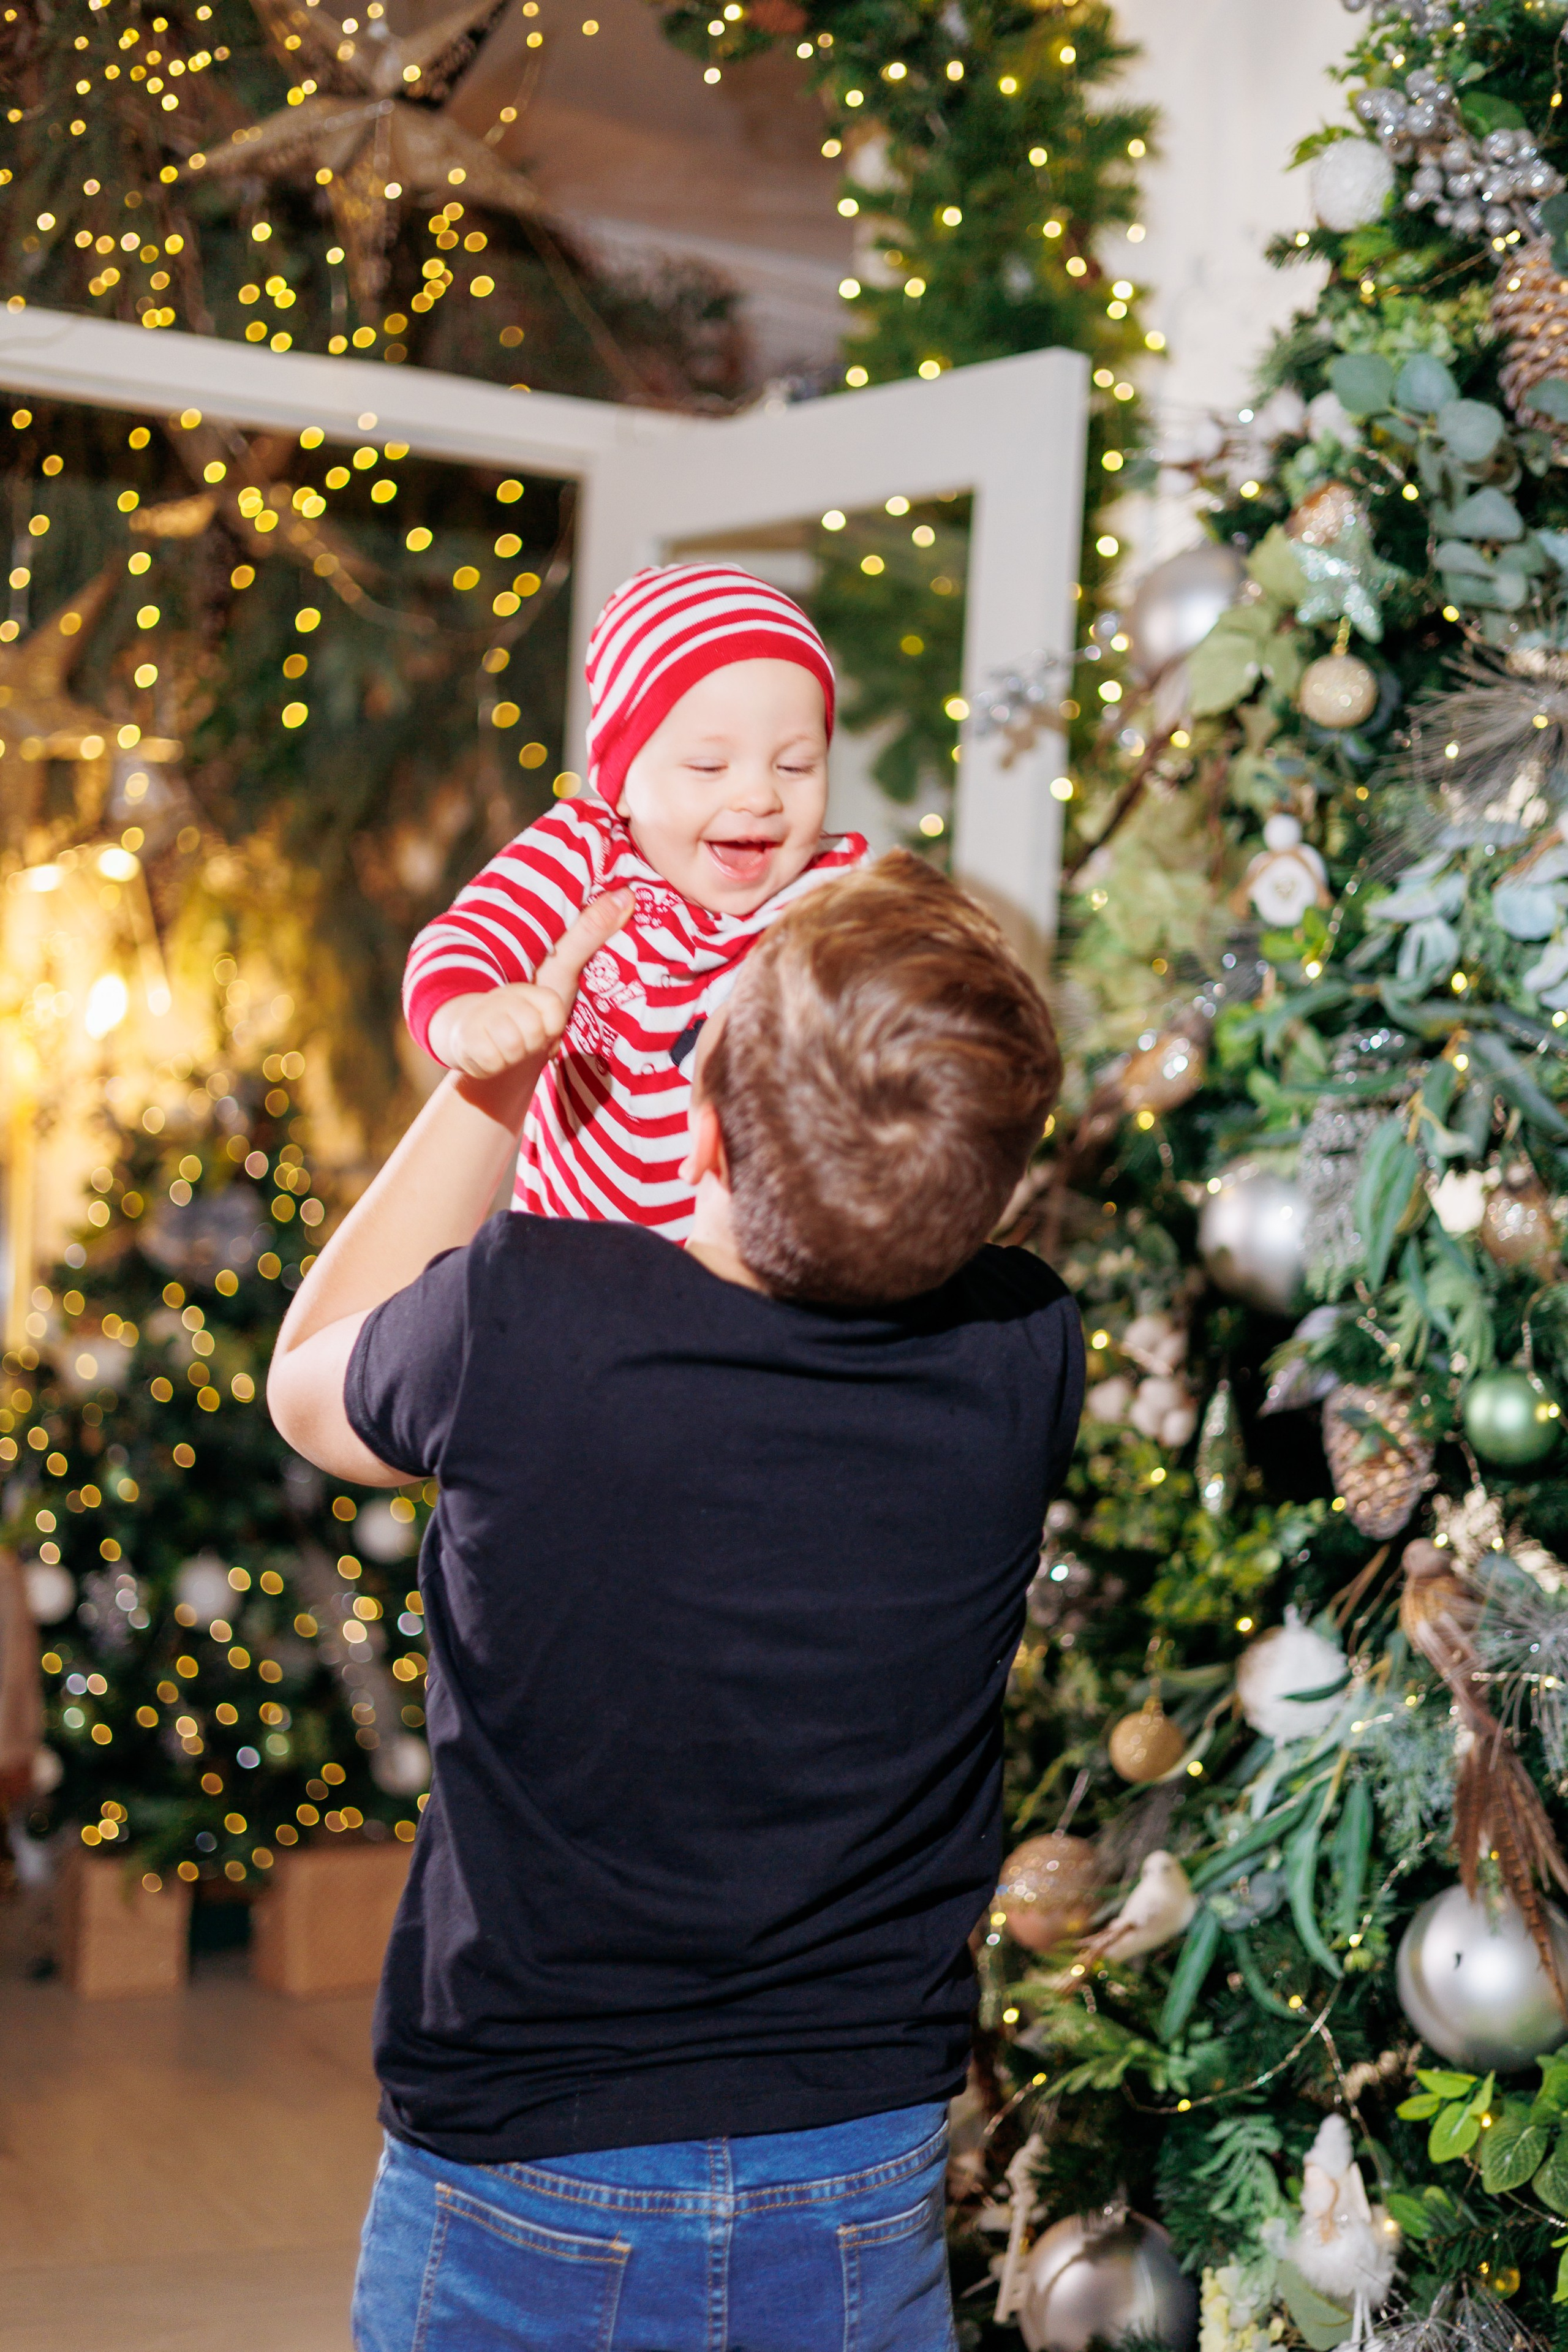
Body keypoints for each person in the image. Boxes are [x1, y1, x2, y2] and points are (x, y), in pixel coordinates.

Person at [269, 852, 1083, 2352]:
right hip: (855, 2150)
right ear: (1000, 1183)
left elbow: (306, 1385)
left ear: (692, 1116)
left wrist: (497, 1083)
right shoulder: (1021, 1351)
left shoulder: (525, 1311)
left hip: (525, 2143)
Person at [402, 561, 867, 1235]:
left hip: (750, 1257)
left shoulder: (833, 889)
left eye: (795, 766)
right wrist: (465, 1017)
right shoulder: (585, 853)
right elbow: (468, 935)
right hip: (575, 1244)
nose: (760, 797)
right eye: (709, 766)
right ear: (620, 782)